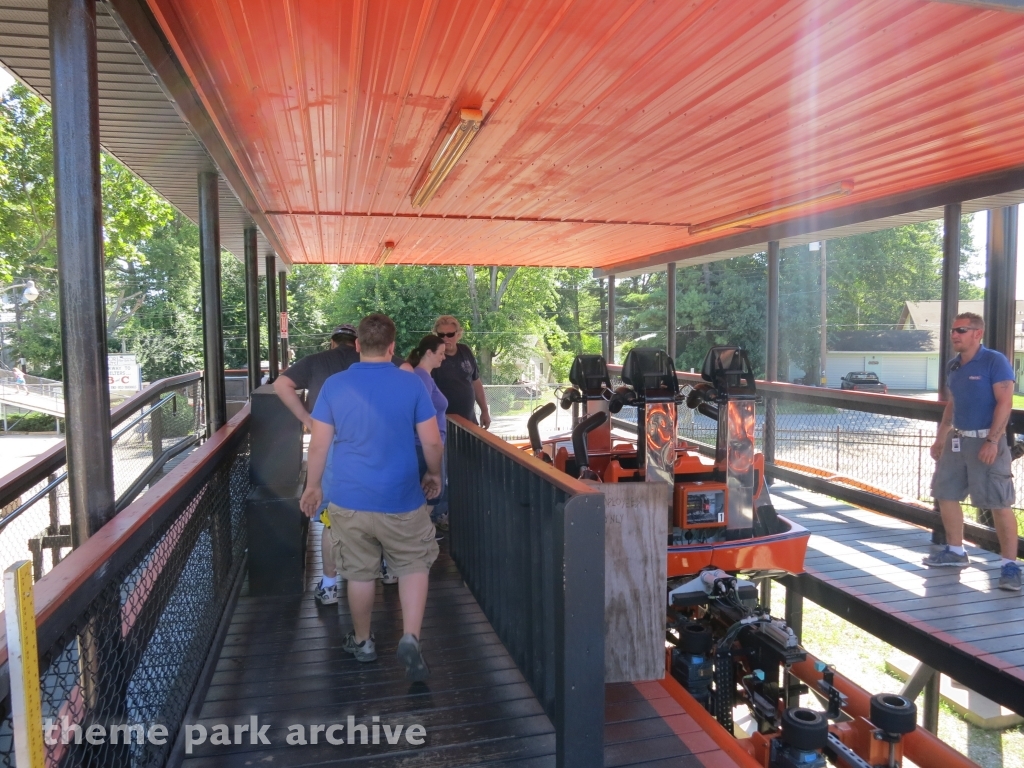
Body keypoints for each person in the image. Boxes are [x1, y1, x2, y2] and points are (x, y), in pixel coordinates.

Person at [300, 313, 442, 681]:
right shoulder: (410, 384)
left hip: (349, 498)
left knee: (359, 573)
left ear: (358, 346)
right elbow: (431, 440)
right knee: (413, 564)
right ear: (393, 347)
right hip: (402, 498)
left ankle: (362, 642)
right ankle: (410, 636)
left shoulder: (334, 385)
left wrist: (313, 486)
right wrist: (434, 473)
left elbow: (318, 444)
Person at [275, 324, 405, 604]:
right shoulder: (383, 358)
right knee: (380, 509)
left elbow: (280, 384)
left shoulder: (316, 362)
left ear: (333, 342)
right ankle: (387, 569)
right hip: (377, 443)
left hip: (333, 446)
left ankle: (330, 585)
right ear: (357, 343)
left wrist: (307, 419)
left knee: (331, 518)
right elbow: (408, 375)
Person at [924, 312, 1020, 591]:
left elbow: (1005, 402)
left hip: (987, 442)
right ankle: (955, 552)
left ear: (977, 333)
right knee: (945, 494)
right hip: (958, 440)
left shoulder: (994, 361)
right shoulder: (955, 366)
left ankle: (1009, 566)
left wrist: (992, 441)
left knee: (999, 504)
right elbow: (952, 405)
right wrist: (941, 438)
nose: (955, 334)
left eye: (961, 330)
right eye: (953, 330)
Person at [406, 335, 449, 531]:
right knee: (431, 494)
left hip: (425, 444)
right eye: (440, 353)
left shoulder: (424, 376)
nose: (443, 357)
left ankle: (414, 537)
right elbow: (418, 412)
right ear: (429, 353)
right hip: (424, 446)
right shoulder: (421, 377)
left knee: (428, 495)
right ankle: (413, 538)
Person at [431, 315, 490, 428]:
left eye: (450, 334)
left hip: (469, 420)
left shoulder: (465, 350)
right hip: (444, 423)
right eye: (441, 335)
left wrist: (485, 411)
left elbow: (476, 382)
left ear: (458, 334)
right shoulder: (433, 357)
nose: (445, 338)